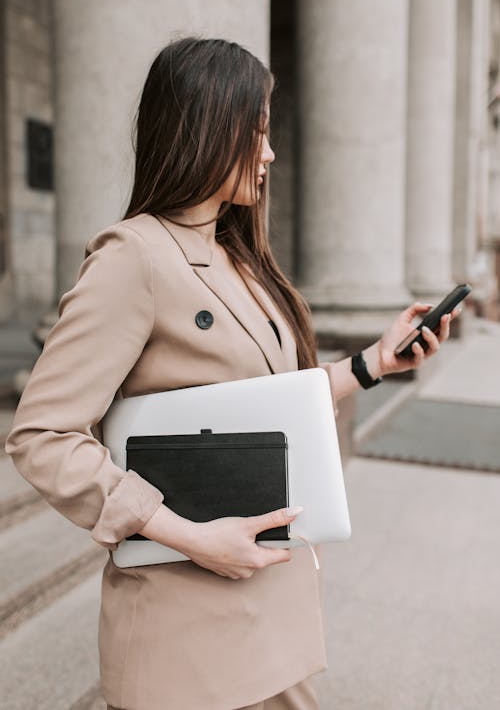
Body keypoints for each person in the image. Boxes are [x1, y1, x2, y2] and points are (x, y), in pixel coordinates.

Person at [5, 37, 460, 710]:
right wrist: (188, 535)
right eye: (258, 134)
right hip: (186, 631)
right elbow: (41, 435)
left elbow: (270, 404)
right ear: (205, 130)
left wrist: (372, 364)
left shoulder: (239, 259)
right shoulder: (132, 257)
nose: (270, 155)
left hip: (265, 610)